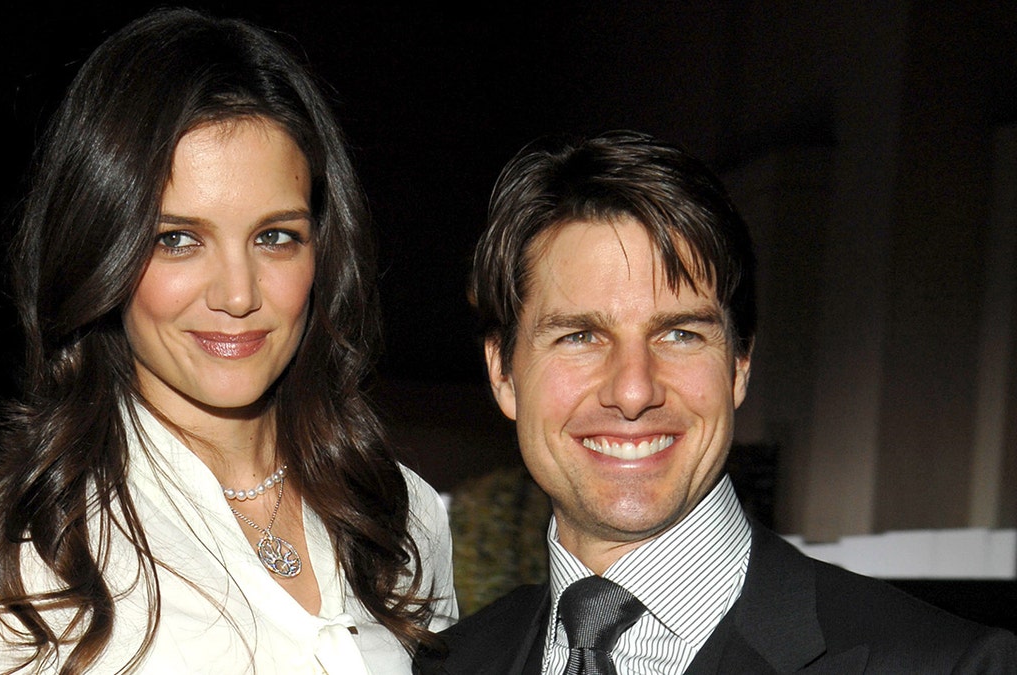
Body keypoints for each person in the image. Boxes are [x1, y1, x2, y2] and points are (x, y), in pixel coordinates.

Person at [0, 8, 456, 674]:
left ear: (321, 251)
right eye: (177, 240)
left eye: (274, 236)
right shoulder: (16, 562)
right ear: (101, 253)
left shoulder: (401, 515)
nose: (236, 293)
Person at [416, 131, 1017, 673]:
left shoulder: (950, 664)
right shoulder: (452, 663)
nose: (633, 391)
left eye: (679, 334)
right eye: (579, 336)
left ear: (738, 365)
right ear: (503, 373)